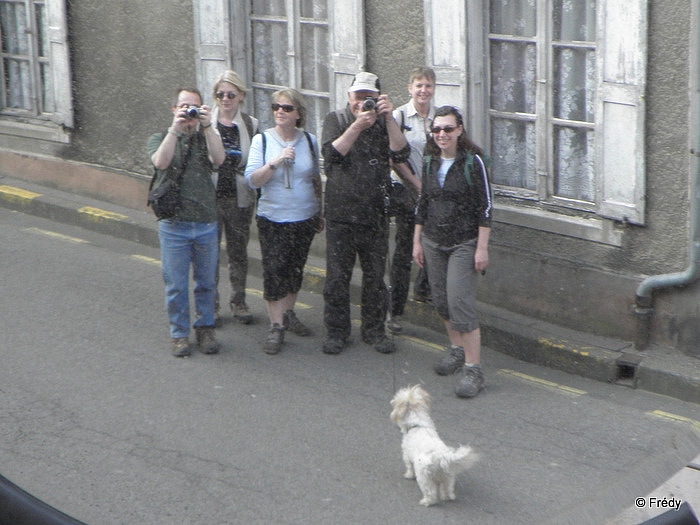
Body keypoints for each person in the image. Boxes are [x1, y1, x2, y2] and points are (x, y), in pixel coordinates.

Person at [321, 71, 410, 355]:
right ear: (349, 97)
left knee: (374, 278)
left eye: (369, 98)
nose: (363, 103)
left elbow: (402, 153)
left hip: (374, 216)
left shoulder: (384, 123)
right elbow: (332, 156)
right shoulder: (336, 120)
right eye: (358, 97)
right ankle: (337, 332)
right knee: (337, 278)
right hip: (340, 215)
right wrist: (358, 126)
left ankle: (374, 331)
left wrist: (388, 118)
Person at [412, 106, 493, 398]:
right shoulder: (430, 160)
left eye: (448, 129)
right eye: (437, 130)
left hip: (464, 242)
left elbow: (485, 207)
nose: (442, 134)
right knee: (442, 301)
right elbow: (423, 202)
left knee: (460, 302)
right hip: (433, 241)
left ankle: (474, 370)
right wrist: (417, 241)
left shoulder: (473, 161)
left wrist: (481, 248)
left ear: (459, 130)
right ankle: (456, 350)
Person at [147, 87, 226, 357]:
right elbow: (161, 162)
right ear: (174, 109)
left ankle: (205, 328)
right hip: (173, 225)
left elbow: (220, 159)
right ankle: (179, 334)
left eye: (195, 107)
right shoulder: (160, 137)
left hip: (205, 222)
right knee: (176, 285)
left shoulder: (206, 137)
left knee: (206, 283)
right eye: (184, 106)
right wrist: (175, 129)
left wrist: (208, 127)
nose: (189, 112)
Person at [245, 88, 323, 354]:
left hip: (304, 217)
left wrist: (319, 211)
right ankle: (276, 326)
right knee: (274, 270)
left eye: (287, 108)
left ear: (298, 113)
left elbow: (315, 179)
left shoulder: (310, 141)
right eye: (276, 107)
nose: (280, 111)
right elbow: (253, 179)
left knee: (295, 269)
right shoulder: (263, 141)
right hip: (273, 217)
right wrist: (276, 162)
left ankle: (289, 314)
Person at [387, 67, 437, 334]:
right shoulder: (399, 116)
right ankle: (395, 312)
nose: (423, 91)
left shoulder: (441, 117)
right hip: (409, 195)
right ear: (410, 88)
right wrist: (418, 187)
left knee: (434, 245)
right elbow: (395, 158)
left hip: (435, 195)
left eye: (428, 85)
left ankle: (424, 289)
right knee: (405, 251)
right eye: (418, 85)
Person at [211, 71, 258, 325]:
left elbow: (255, 163)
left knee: (238, 252)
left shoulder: (251, 124)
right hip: (211, 196)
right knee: (210, 253)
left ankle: (238, 302)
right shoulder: (206, 122)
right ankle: (212, 306)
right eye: (220, 94)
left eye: (230, 94)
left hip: (239, 196)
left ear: (241, 95)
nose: (225, 99)